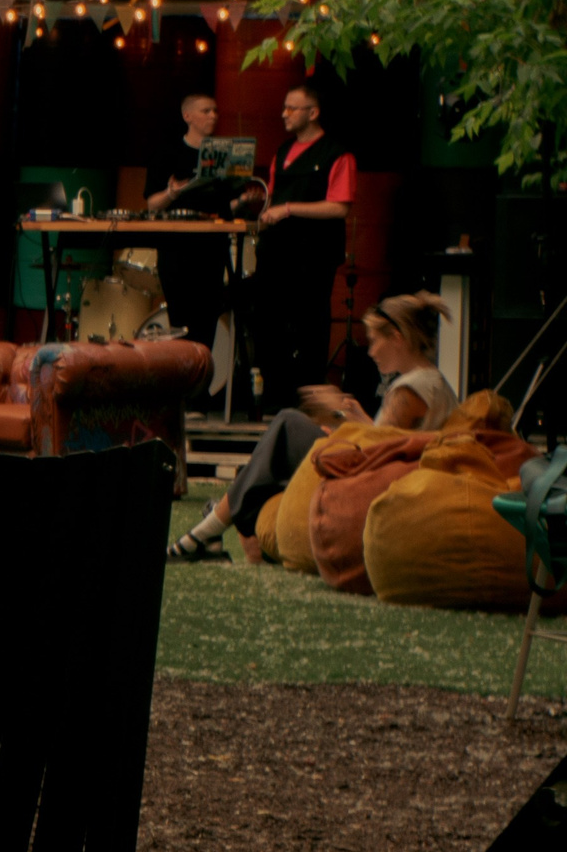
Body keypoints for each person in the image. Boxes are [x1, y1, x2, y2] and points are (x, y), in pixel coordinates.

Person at [169, 291, 456, 564]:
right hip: (383, 468)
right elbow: (394, 439)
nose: (370, 352)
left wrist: (337, 416)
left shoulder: (412, 388)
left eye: (374, 341)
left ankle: (206, 531)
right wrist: (354, 420)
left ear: (397, 337)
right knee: (269, 461)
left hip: (374, 478)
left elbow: (380, 453)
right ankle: (215, 531)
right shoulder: (429, 382)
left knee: (287, 424)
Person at [237, 80, 355, 412]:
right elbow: (272, 197)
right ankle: (276, 399)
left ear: (313, 112)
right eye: (285, 107)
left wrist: (289, 210)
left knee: (310, 327)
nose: (284, 114)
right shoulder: (283, 152)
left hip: (313, 253)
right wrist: (255, 202)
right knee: (268, 323)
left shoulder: (337, 154)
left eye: (292, 108)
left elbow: (339, 206)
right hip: (277, 251)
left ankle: (308, 403)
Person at [142, 91, 233, 368]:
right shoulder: (167, 153)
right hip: (177, 248)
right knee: (181, 321)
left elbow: (225, 202)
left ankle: (202, 392)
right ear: (188, 116)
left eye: (215, 111)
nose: (213, 116)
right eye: (206, 111)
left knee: (208, 322)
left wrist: (242, 199)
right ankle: (185, 389)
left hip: (212, 248)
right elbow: (152, 204)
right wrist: (171, 192)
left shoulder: (222, 154)